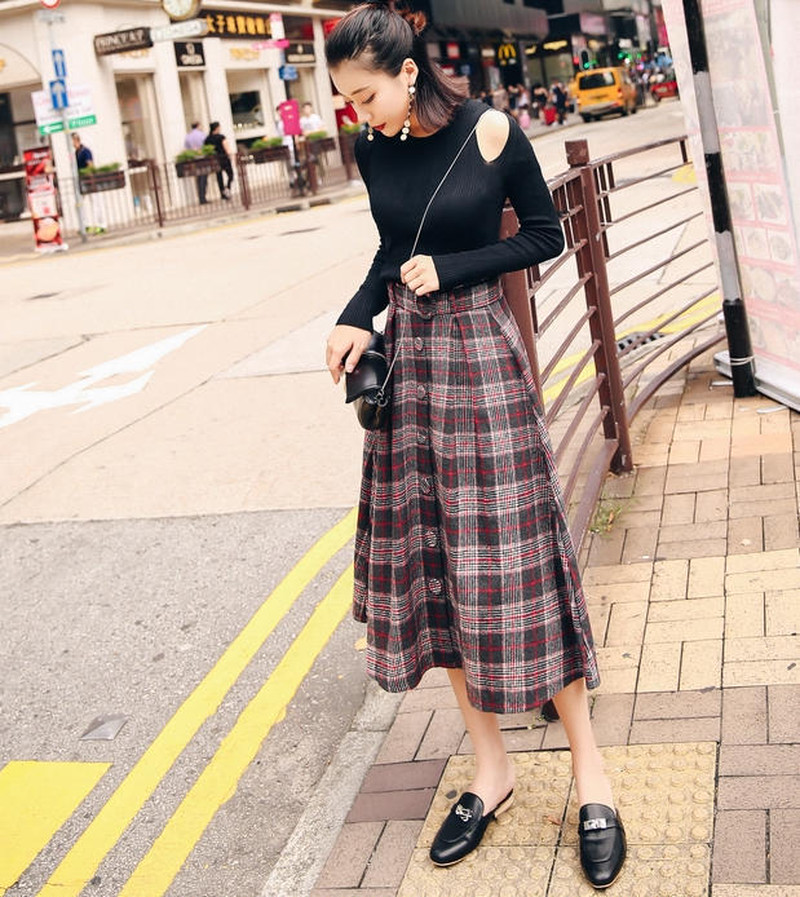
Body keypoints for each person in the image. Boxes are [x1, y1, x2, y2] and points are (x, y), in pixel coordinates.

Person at [324, 3, 626, 891]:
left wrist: (453, 269)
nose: (358, 113)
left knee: (519, 562)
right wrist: (354, 317)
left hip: (484, 363)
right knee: (441, 571)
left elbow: (544, 234)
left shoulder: (490, 130)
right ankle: (491, 767)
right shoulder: (373, 150)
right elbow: (390, 250)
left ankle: (590, 771)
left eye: (366, 94)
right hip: (412, 370)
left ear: (407, 72)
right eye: (346, 100)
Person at [71, 132, 107, 234]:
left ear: (77, 141)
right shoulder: (76, 153)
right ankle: (85, 225)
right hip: (82, 180)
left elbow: (90, 164)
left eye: (73, 141)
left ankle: (101, 225)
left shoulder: (85, 151)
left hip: (90, 179)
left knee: (95, 203)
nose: (72, 144)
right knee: (79, 203)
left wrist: (91, 178)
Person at [203, 121, 234, 200]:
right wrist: (230, 155)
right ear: (217, 128)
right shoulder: (221, 137)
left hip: (215, 160)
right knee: (230, 175)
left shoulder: (207, 139)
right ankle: (227, 188)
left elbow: (206, 150)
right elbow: (226, 147)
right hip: (223, 158)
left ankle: (222, 193)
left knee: (219, 177)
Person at [184, 121, 208, 204]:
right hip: (202, 158)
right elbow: (206, 145)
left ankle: (200, 197)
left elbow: (187, 148)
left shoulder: (188, 136)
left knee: (198, 178)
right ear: (198, 126)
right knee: (203, 177)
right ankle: (203, 197)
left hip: (194, 159)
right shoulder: (202, 135)